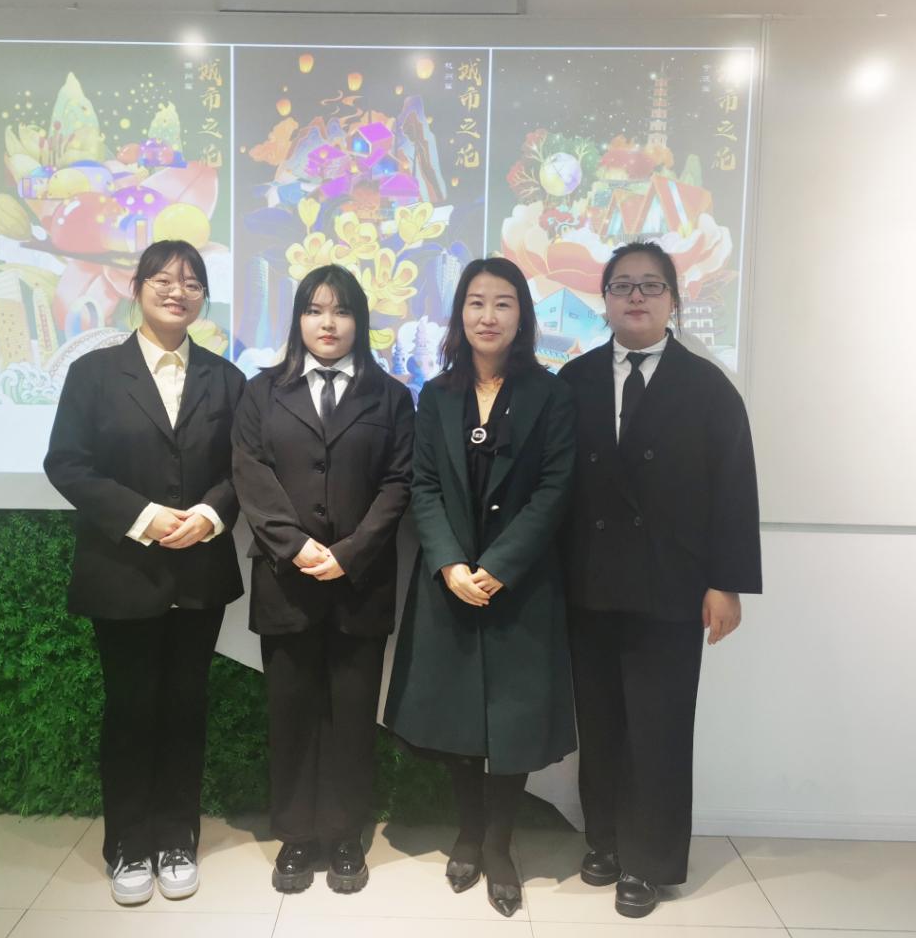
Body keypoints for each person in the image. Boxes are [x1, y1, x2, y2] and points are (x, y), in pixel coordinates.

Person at [557, 240, 762, 919]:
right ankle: (605, 841)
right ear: (605, 300)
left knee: (660, 729)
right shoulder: (573, 380)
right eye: (622, 286)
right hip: (588, 582)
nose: (636, 296)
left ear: (674, 299)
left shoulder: (708, 386)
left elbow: (734, 490)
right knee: (600, 723)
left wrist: (726, 583)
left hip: (672, 587)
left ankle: (649, 861)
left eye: (650, 285)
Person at [44, 240, 245, 906]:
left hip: (199, 570)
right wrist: (144, 516)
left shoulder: (226, 377)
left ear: (203, 297)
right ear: (137, 287)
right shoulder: (95, 373)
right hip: (122, 568)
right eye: (163, 278)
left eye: (191, 283)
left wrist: (210, 516)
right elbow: (67, 464)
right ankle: (128, 843)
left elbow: (244, 468)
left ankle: (176, 837)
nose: (177, 291)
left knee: (186, 706)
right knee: (130, 708)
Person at [384, 256, 577, 918]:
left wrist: (501, 564)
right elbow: (424, 486)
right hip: (451, 584)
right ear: (459, 313)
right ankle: (468, 832)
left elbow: (555, 489)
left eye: (502, 303)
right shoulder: (436, 394)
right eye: (475, 302)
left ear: (522, 315)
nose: (487, 315)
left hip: (520, 586)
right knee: (457, 717)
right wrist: (449, 564)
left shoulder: (551, 394)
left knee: (513, 722)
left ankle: (498, 844)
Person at [232, 264, 414, 895]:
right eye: (314, 310)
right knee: (291, 712)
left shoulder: (391, 397)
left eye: (341, 311)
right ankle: (295, 836)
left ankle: (343, 834)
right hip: (286, 582)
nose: (328, 323)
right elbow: (249, 473)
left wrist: (350, 553)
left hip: (360, 585)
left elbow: (399, 483)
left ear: (359, 320)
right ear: (298, 319)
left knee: (353, 714)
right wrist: (297, 546)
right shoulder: (261, 392)